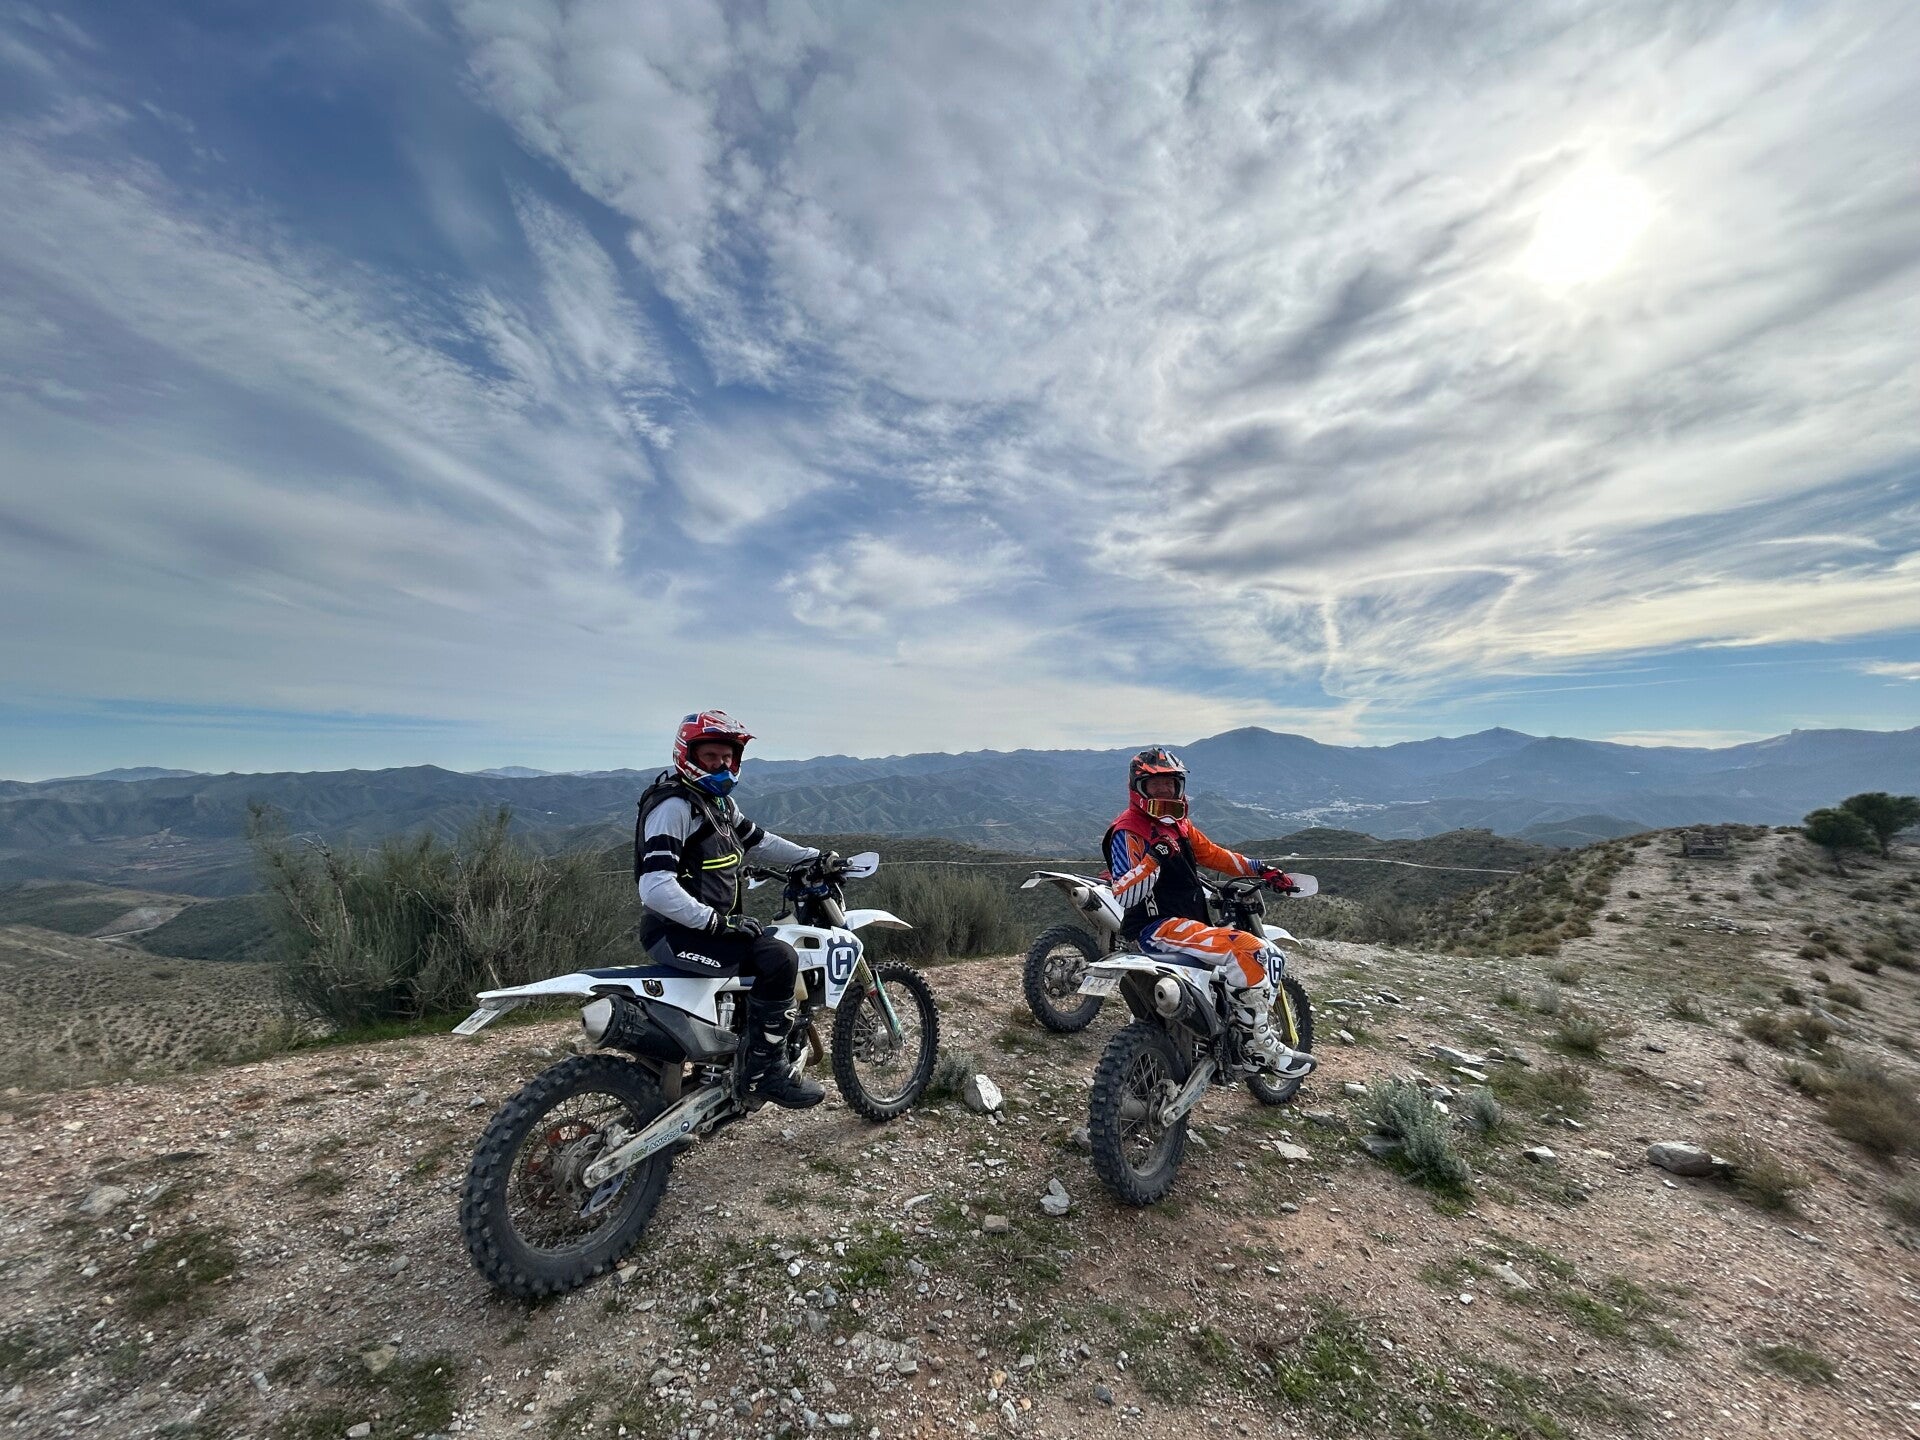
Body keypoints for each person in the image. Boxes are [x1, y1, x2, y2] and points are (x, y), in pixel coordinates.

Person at [634, 710, 826, 1109]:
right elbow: (655, 887)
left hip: (701, 930)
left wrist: (813, 856)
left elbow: (760, 842)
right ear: (688, 755)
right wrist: (716, 923)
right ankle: (763, 1074)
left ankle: (732, 1056)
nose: (721, 764)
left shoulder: (718, 804)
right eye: (711, 756)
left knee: (763, 942)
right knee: (779, 959)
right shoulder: (676, 807)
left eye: (727, 757)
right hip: (676, 933)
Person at [1104, 747, 1316, 1081]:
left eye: (1171, 784)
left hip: (1182, 923)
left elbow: (1214, 855)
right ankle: (1256, 1048)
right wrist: (1154, 858)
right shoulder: (1129, 830)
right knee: (1252, 950)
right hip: (1156, 927)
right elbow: (1126, 892)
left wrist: (1262, 869)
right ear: (1139, 787)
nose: (1165, 792)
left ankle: (1220, 1037)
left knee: (1240, 955)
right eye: (1156, 785)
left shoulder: (1178, 826)